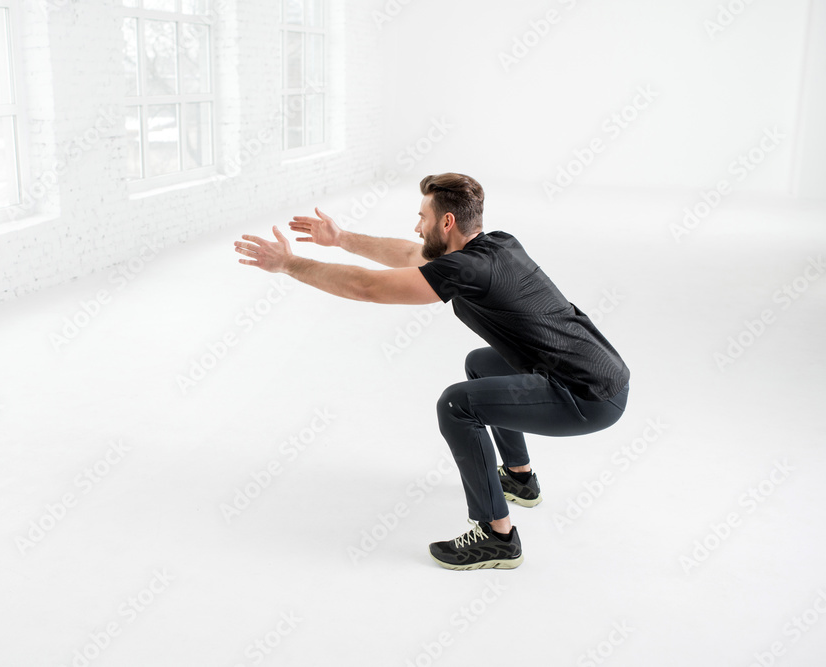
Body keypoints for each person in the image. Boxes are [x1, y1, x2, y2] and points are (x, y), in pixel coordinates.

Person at [233, 173, 630, 570]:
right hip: (602, 373)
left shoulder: (467, 269)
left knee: (457, 405)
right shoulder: (498, 244)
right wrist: (341, 239)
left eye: (422, 216)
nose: (417, 225)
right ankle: (520, 478)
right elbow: (410, 255)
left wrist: (288, 263)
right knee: (481, 363)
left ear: (447, 223)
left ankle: (498, 537)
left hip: (587, 398)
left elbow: (366, 287)